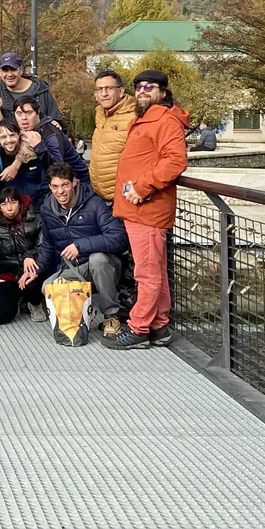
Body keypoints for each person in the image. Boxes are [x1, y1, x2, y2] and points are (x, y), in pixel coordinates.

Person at [106, 68, 188, 350]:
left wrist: (141, 187)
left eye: (149, 87)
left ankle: (139, 328)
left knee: (147, 273)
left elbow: (175, 161)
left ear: (163, 92)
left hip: (147, 208)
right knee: (157, 271)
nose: (142, 91)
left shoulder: (164, 120)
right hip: (140, 209)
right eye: (139, 87)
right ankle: (160, 326)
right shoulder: (148, 118)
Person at [31, 160, 130, 341]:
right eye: (55, 186)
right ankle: (83, 315)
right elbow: (48, 245)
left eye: (65, 185)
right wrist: (37, 270)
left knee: (97, 259)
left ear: (74, 182)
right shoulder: (47, 209)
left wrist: (81, 246)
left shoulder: (94, 203)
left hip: (105, 265)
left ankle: (111, 316)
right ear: (49, 187)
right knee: (47, 288)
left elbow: (119, 238)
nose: (60, 191)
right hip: (74, 268)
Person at [0, 186, 42, 324]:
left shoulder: (35, 219)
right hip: (7, 274)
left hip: (31, 270)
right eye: (4, 204)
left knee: (32, 284)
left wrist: (29, 255)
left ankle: (34, 302)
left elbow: (44, 245)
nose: (9, 208)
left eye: (13, 202)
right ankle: (17, 299)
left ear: (20, 203)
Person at [87, 68, 137, 205]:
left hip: (124, 199)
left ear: (120, 91)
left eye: (108, 88)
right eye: (99, 89)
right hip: (101, 198)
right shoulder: (100, 115)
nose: (104, 94)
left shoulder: (134, 116)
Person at [13, 97, 88, 184]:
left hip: (78, 183)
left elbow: (58, 167)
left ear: (37, 112)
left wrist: (39, 146)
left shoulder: (51, 133)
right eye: (19, 113)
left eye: (29, 113)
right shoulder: (22, 129)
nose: (23, 118)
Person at [0, 120, 47, 212]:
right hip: (12, 211)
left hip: (37, 208)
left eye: (12, 135)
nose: (9, 140)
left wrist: (44, 207)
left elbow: (46, 183)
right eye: (3, 137)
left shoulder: (34, 155)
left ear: (19, 134)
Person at [0, 52, 62, 126]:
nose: (10, 74)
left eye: (13, 69)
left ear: (20, 70)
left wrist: (54, 125)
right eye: (5, 70)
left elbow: (56, 119)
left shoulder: (41, 90)